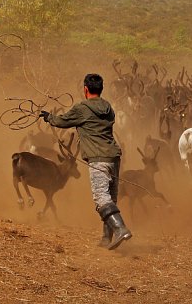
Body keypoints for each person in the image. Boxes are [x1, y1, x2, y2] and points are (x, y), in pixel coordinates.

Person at [40, 73, 132, 249]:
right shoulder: (108, 107)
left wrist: (48, 117)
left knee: (101, 197)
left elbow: (62, 121)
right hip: (114, 157)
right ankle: (106, 239)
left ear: (85, 89)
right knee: (111, 198)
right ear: (101, 89)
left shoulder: (82, 108)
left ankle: (121, 229)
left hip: (98, 159)